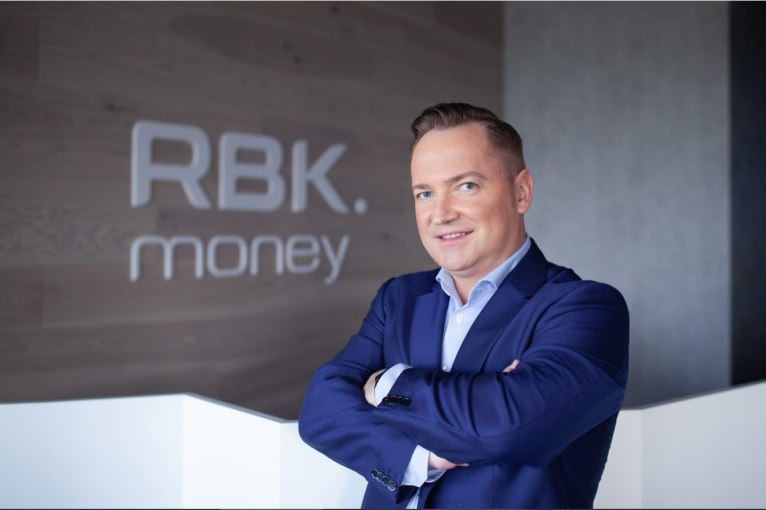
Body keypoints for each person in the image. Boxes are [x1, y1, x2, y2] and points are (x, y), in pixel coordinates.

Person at [298, 102, 629, 509]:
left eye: (465, 186)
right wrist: (422, 458)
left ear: (521, 192)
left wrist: (388, 384)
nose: (440, 214)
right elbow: (321, 409)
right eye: (425, 193)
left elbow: (505, 427)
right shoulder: (399, 298)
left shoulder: (586, 308)